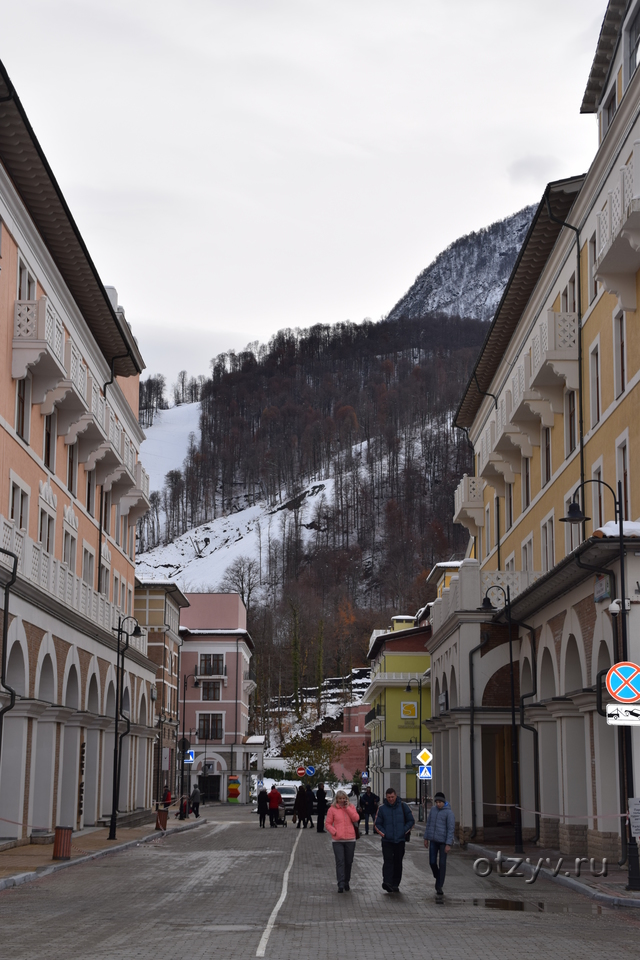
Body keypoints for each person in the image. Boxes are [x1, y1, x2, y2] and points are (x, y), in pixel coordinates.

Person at [374, 787, 415, 893]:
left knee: (398, 862)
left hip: (400, 840)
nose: (391, 799)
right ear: (386, 797)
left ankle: (395, 883)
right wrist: (385, 834)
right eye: (388, 797)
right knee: (388, 861)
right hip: (387, 841)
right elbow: (377, 824)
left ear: (396, 796)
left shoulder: (403, 806)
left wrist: (403, 831)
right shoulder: (382, 808)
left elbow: (411, 821)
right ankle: (387, 882)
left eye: (392, 797)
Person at [325, 789, 360, 893]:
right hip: (338, 840)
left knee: (348, 862)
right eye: (340, 798)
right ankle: (340, 883)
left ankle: (346, 881)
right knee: (340, 861)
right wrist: (334, 832)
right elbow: (328, 824)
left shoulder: (351, 807)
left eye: (343, 798)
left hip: (350, 839)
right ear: (336, 799)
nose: (342, 800)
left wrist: (348, 808)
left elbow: (356, 818)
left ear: (346, 799)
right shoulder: (332, 809)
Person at [423, 791, 455, 897]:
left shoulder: (449, 813)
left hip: (443, 842)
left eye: (440, 802)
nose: (438, 804)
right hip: (433, 840)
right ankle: (438, 876)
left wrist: (448, 844)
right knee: (432, 862)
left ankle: (439, 886)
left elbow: (451, 829)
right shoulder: (433, 810)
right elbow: (429, 824)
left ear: (443, 802)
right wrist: (426, 838)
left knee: (442, 863)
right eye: (436, 802)